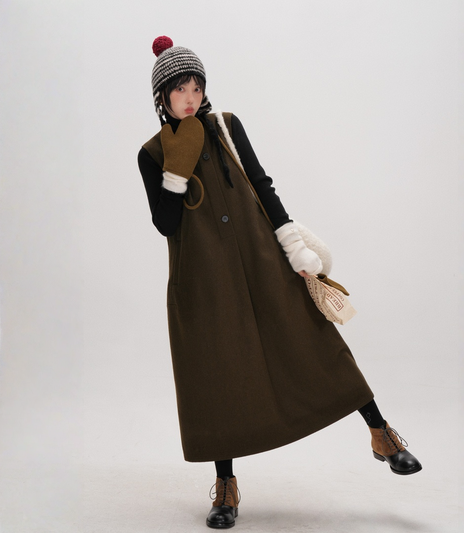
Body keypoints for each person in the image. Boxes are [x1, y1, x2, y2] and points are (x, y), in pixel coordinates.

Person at [138, 36, 422, 530]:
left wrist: (293, 247)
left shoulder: (227, 127)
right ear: (162, 96)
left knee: (313, 340)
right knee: (217, 373)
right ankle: (226, 485)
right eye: (180, 89)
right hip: (203, 282)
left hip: (263, 259)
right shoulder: (151, 153)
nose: (190, 97)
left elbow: (262, 184)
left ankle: (381, 433)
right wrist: (176, 170)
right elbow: (166, 224)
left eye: (196, 87)